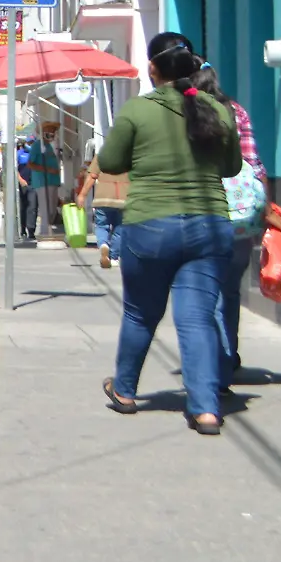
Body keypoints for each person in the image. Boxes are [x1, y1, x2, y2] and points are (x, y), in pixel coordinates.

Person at [99, 32, 241, 435]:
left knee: (140, 313)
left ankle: (125, 391)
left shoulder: (137, 111)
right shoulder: (218, 109)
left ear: (152, 69)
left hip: (151, 225)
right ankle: (206, 409)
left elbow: (110, 162)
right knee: (196, 320)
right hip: (210, 226)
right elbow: (231, 168)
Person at [192, 65, 268, 384]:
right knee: (230, 292)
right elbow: (254, 164)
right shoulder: (237, 111)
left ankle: (215, 366)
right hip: (240, 214)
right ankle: (227, 356)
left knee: (202, 293)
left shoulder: (189, 113)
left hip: (202, 211)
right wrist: (264, 210)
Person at [75, 153, 128, 270]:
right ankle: (114, 258)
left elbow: (92, 177)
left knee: (101, 226)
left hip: (102, 198)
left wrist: (82, 195)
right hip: (123, 199)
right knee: (120, 228)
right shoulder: (130, 156)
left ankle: (103, 244)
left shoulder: (101, 156)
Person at [30, 123, 63, 235]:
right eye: (49, 130)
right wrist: (48, 169)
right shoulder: (37, 146)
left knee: (52, 209)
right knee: (45, 209)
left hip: (52, 182)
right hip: (42, 182)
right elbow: (30, 164)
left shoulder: (50, 146)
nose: (52, 133)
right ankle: (44, 232)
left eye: (53, 131)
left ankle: (48, 230)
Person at [16, 138, 36, 240]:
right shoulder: (19, 154)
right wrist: (20, 180)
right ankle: (23, 229)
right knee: (23, 207)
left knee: (32, 208)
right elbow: (14, 168)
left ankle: (31, 230)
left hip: (33, 184)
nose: (31, 145)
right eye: (29, 143)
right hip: (23, 184)